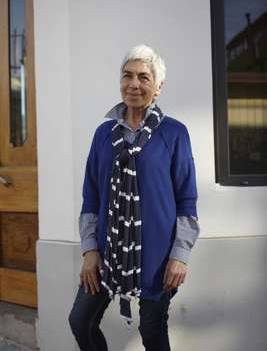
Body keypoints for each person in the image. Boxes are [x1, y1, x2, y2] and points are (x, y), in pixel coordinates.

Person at [68, 44, 200, 351]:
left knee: (152, 331)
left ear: (158, 86)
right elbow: (91, 195)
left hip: (157, 255)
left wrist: (179, 256)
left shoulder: (174, 133)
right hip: (106, 251)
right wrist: (90, 250)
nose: (134, 84)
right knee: (80, 321)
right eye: (127, 76)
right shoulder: (103, 134)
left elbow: (186, 199)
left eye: (143, 76)